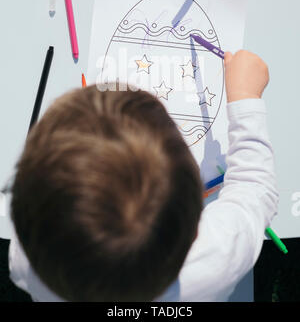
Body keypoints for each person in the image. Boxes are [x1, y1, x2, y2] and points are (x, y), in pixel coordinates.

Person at [8, 50, 278, 302]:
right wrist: (245, 98)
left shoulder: (30, 260)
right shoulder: (217, 258)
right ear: (196, 222)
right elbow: (254, 187)